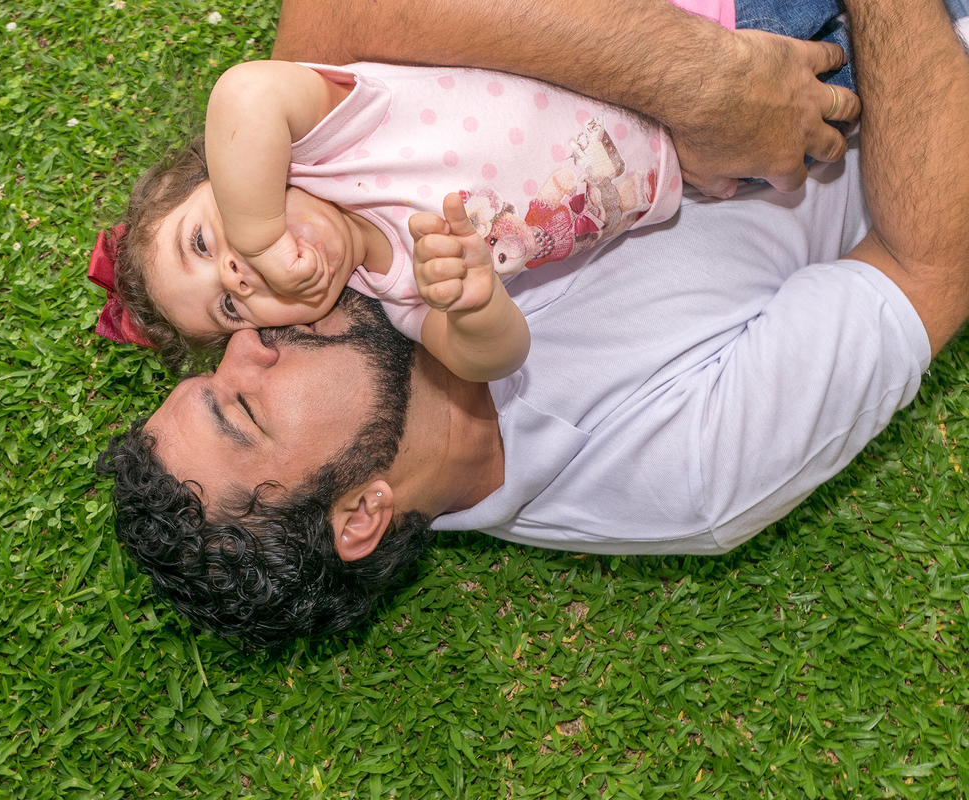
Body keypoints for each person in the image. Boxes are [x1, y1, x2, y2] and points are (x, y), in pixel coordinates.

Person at [98, 0, 969, 645]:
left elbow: (343, 15)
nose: (247, 340)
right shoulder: (683, 473)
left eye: (211, 361)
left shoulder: (324, 244)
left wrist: (696, 80)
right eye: (242, 408)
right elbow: (934, 259)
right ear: (360, 512)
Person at [89, 0, 860, 382]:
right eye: (230, 306)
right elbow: (490, 361)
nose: (236, 273)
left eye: (204, 240)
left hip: (706, 31)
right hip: (716, 157)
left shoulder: (324, 141)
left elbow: (243, 94)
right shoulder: (397, 286)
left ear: (223, 172)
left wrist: (257, 232)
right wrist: (475, 307)